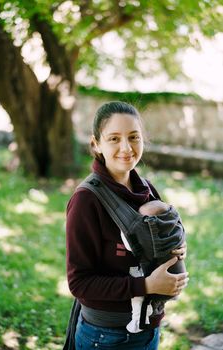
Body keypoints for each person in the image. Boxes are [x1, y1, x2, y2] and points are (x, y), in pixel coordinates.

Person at [66, 101, 188, 350]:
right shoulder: (86, 200)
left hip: (149, 328)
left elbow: (156, 241)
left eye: (134, 137)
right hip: (106, 336)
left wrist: (176, 249)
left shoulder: (146, 188)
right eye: (114, 138)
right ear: (96, 144)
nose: (126, 148)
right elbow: (79, 283)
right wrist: (146, 286)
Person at [120, 199, 186, 333]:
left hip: (159, 283)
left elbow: (129, 245)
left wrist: (123, 231)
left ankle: (139, 319)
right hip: (177, 277)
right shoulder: (173, 228)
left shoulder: (152, 239)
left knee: (138, 295)